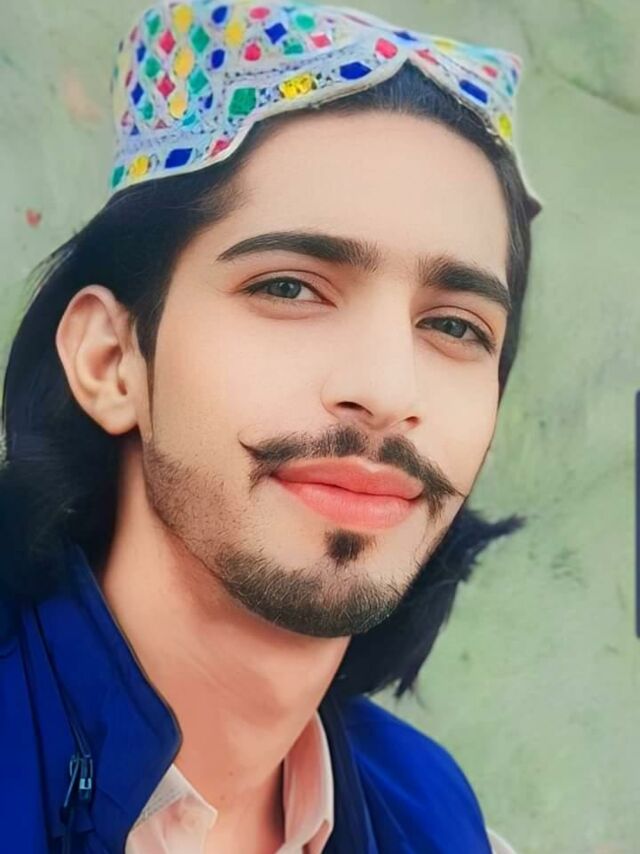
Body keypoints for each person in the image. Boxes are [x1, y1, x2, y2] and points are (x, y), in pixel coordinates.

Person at [0, 1, 541, 851]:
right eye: (289, 288)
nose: (387, 390)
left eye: (454, 326)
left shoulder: (440, 823)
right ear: (110, 359)